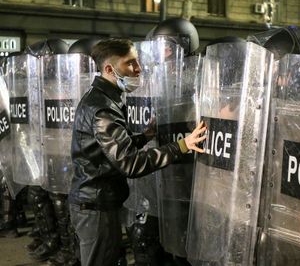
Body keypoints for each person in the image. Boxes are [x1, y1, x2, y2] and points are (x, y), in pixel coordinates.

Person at [69, 38, 207, 266]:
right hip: (96, 207)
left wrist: (145, 136)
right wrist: (182, 145)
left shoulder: (103, 99)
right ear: (109, 69)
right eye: (130, 63)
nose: (138, 68)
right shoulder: (102, 108)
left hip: (98, 202)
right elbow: (130, 164)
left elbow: (109, 148)